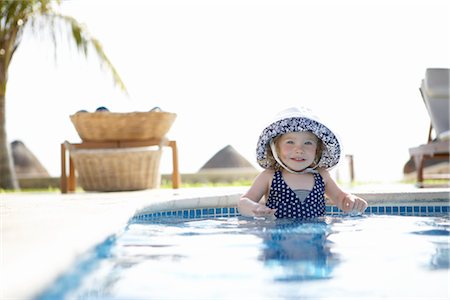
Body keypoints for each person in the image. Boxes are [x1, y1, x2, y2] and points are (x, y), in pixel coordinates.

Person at [238, 107, 368, 219]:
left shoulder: (322, 176)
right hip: (280, 243)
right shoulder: (270, 176)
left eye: (308, 143)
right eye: (290, 142)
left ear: (317, 150)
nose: (299, 150)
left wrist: (351, 201)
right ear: (276, 148)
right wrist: (255, 208)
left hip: (315, 244)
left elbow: (341, 198)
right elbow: (243, 202)